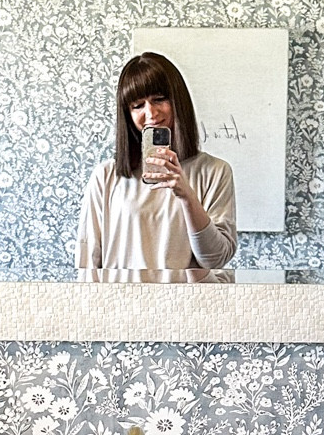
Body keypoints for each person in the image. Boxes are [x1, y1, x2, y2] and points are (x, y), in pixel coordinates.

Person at [76, 52, 237, 275]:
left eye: (159, 99)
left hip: (190, 306)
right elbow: (88, 262)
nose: (150, 113)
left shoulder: (214, 172)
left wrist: (186, 195)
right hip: (122, 304)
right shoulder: (106, 176)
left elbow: (215, 259)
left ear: (177, 100)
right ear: (127, 115)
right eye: (137, 105)